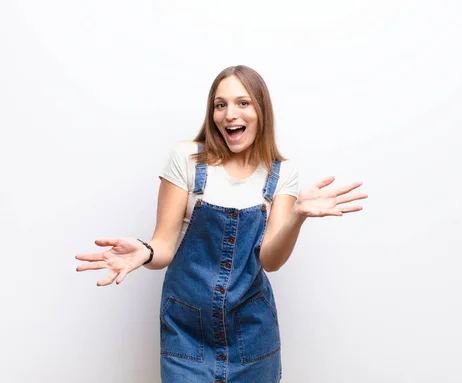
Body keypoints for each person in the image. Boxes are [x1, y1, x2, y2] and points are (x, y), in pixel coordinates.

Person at [75, 65, 367, 383]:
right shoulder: (186, 158)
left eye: (243, 103)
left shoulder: (281, 173)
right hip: (186, 333)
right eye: (220, 104)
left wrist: (297, 216)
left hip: (253, 335)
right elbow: (163, 247)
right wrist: (144, 251)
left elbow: (271, 260)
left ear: (261, 110)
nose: (230, 114)